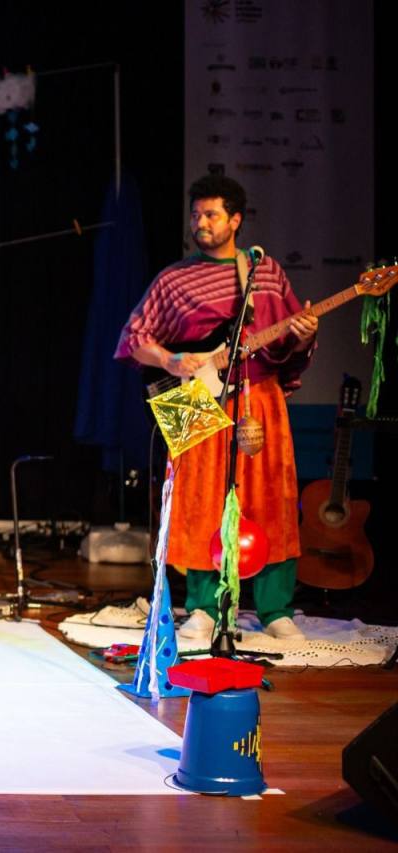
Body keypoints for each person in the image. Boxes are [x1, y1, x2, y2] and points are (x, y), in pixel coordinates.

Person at [115, 173, 317, 641]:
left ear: (236, 220)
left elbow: (286, 348)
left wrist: (302, 336)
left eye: (210, 214)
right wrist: (171, 359)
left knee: (270, 497)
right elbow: (133, 338)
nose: (200, 223)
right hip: (191, 396)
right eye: (195, 215)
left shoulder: (266, 272)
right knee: (195, 500)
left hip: (258, 394)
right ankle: (203, 608)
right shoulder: (174, 278)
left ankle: (275, 610)